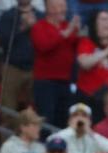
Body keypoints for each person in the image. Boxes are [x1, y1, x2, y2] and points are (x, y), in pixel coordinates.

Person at [30, 0, 80, 128]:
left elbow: (76, 45)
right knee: (47, 118)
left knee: (64, 119)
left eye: (64, 6)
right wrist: (64, 34)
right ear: (49, 8)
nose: (63, 9)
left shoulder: (67, 26)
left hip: (66, 81)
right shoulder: (39, 27)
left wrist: (77, 32)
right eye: (59, 6)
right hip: (46, 83)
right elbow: (44, 46)